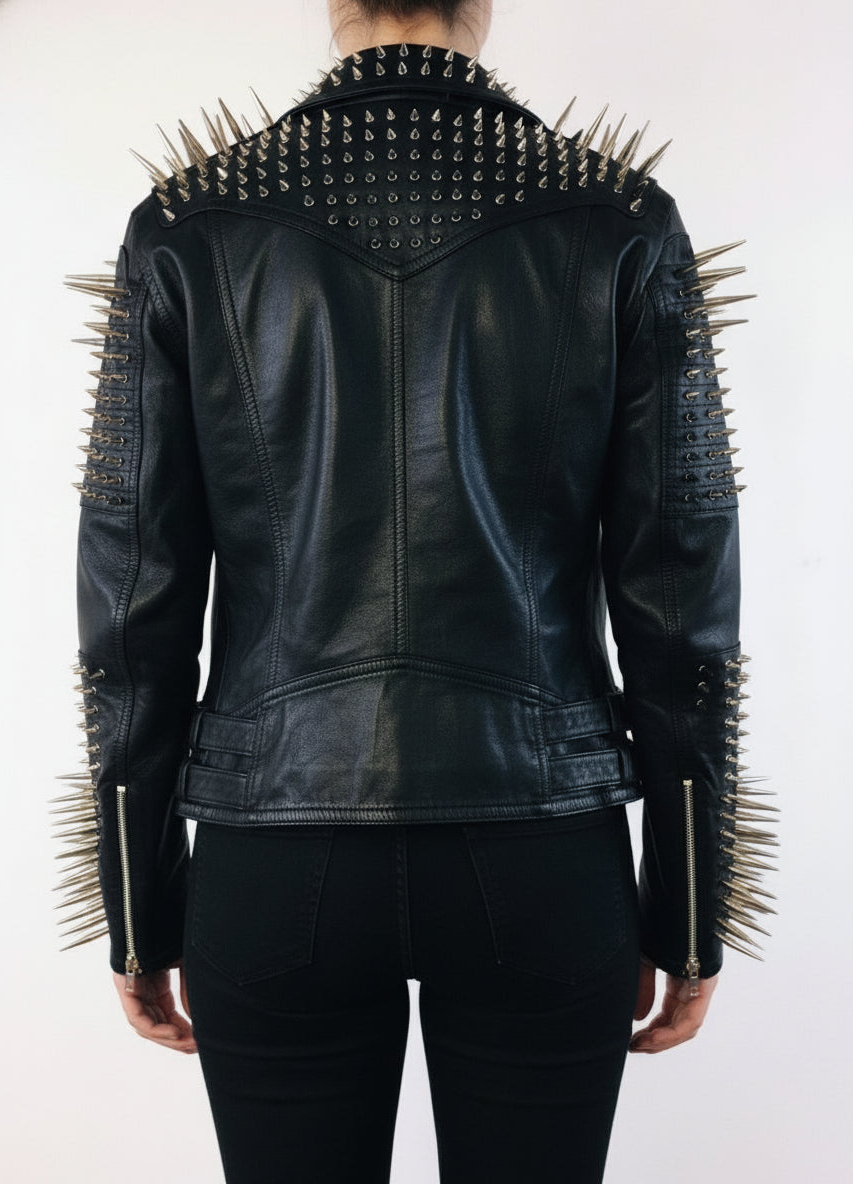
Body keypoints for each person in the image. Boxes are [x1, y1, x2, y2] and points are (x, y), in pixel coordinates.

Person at [51, 0, 777, 1179]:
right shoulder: (619, 218)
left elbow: (131, 596)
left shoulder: (186, 226)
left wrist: (139, 906)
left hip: (274, 858)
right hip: (544, 849)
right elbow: (680, 588)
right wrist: (689, 907)